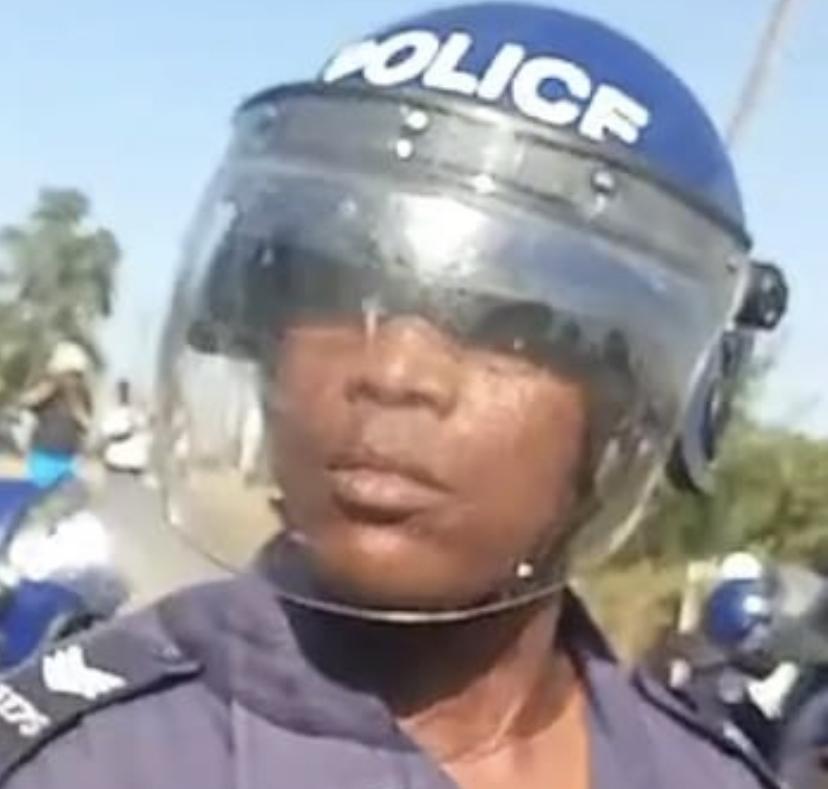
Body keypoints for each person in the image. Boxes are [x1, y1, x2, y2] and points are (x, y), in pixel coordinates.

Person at [0, 4, 788, 787]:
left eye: (514, 327)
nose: (395, 372)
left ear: (634, 410)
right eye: (333, 291)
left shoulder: (705, 774)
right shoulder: (95, 760)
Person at [18, 342, 92, 488]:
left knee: (42, 494)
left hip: (53, 451)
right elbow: (27, 402)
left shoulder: (79, 391)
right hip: (57, 451)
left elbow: (26, 402)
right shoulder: (53, 386)